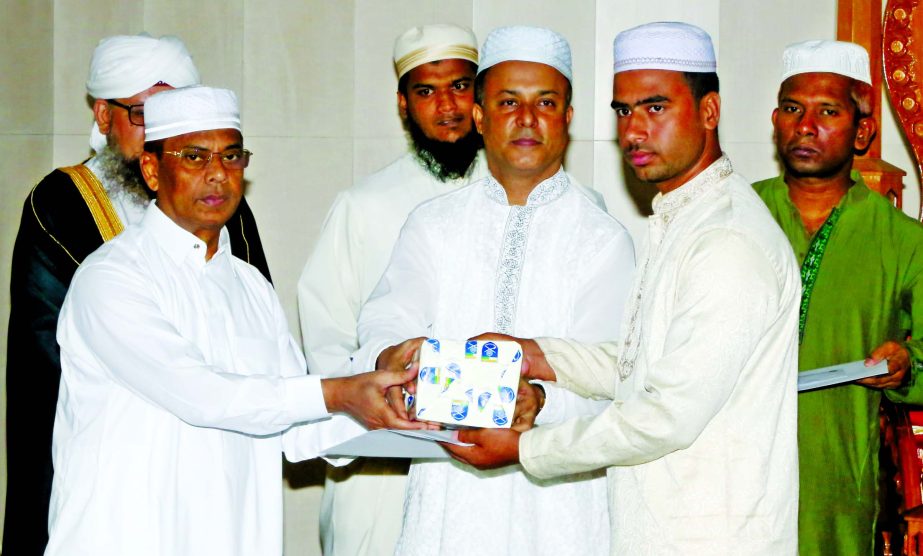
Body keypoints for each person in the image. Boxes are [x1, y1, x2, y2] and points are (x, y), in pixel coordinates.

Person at [445, 22, 801, 554]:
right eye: (623, 110)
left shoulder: (728, 240)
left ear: (709, 111)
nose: (634, 130)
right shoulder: (682, 218)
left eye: (655, 107)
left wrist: (527, 448)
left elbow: (666, 414)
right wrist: (539, 355)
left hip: (712, 538)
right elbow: (641, 365)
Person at [44, 86, 424, 556]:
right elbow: (204, 396)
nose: (218, 175)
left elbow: (296, 424)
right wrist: (340, 392)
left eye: (231, 157)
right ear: (151, 170)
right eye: (194, 157)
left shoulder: (250, 287)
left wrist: (403, 398)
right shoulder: (111, 277)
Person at [357, 26, 635, 555]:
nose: (527, 120)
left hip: (559, 501)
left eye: (545, 103)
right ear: (481, 117)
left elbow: (616, 373)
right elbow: (383, 321)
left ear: (567, 120)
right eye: (509, 102)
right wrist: (396, 354)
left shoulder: (603, 240)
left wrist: (542, 403)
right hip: (449, 492)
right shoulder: (433, 224)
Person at [3, 33, 272, 556]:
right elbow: (50, 357)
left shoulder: (220, 207)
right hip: (113, 456)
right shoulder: (60, 202)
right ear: (103, 116)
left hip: (213, 453)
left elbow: (259, 341)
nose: (161, 134)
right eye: (145, 115)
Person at [295, 24, 484, 555]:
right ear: (403, 104)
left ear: (483, 93)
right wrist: (381, 403)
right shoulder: (363, 206)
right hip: (384, 469)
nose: (446, 105)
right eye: (426, 91)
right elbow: (326, 338)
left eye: (460, 86)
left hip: (488, 465)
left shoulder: (518, 196)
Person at [752, 40, 923, 555]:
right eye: (792, 109)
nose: (806, 126)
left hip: (839, 485)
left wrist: (904, 368)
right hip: (731, 470)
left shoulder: (902, 239)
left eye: (828, 111)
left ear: (862, 130)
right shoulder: (733, 214)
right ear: (776, 121)